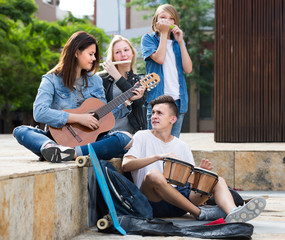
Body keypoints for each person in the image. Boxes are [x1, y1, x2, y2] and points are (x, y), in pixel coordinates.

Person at [122, 95, 266, 222]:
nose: (154, 116)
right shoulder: (141, 136)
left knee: (216, 179)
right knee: (153, 175)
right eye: (153, 112)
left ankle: (233, 212)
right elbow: (126, 165)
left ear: (173, 119)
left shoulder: (181, 146)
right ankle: (199, 213)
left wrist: (200, 176)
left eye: (159, 113)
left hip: (179, 203)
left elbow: (188, 181)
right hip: (152, 200)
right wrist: (158, 157)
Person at [13, 31, 145, 163]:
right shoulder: (51, 79)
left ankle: (72, 153)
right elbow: (39, 112)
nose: (94, 59)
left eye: (94, 55)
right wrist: (79, 118)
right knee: (20, 131)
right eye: (91, 54)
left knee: (125, 138)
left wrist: (127, 101)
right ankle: (51, 147)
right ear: (76, 53)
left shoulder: (96, 81)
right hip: (56, 138)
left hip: (90, 141)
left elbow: (104, 117)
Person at [141, 4, 192, 138]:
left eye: (171, 18)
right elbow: (160, 58)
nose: (166, 21)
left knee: (172, 144)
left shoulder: (177, 42)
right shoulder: (148, 39)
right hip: (156, 100)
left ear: (174, 22)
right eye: (163, 17)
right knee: (154, 144)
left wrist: (181, 42)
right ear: (156, 20)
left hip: (178, 100)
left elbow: (188, 69)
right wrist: (163, 33)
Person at [100, 35, 147, 134]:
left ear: (132, 53)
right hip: (106, 133)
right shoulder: (102, 80)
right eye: (117, 52)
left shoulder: (140, 80)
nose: (123, 54)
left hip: (132, 134)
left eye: (126, 50)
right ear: (113, 57)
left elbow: (139, 102)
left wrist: (117, 76)